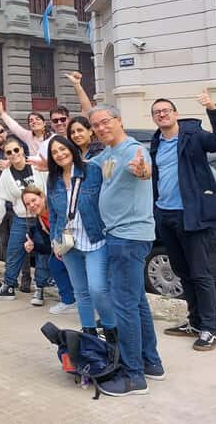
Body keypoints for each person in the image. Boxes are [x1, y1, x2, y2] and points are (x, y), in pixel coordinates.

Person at [88, 104, 164, 397]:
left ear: (119, 120)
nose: (101, 128)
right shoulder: (108, 153)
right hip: (121, 236)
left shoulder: (135, 150)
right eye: (96, 125)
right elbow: (87, 164)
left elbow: (144, 171)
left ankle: (134, 377)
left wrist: (143, 172)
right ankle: (151, 362)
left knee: (124, 305)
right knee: (137, 302)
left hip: (128, 237)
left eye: (105, 122)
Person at [150, 89, 216, 351]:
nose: (162, 115)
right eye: (157, 112)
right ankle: (195, 322)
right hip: (165, 215)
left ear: (175, 114)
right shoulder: (156, 142)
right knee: (182, 271)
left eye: (166, 110)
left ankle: (210, 328)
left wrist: (212, 109)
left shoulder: (193, 135)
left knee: (200, 273)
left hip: (190, 215)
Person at [46, 135, 111, 325]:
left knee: (98, 289)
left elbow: (108, 196)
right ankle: (88, 332)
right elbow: (53, 214)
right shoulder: (53, 179)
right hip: (68, 243)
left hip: (95, 239)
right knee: (81, 292)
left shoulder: (91, 170)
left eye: (63, 149)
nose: (60, 154)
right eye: (54, 152)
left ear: (71, 149)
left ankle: (111, 329)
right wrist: (54, 240)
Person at [0, 138, 48, 302]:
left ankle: (40, 288)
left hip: (42, 217)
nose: (13, 154)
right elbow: (0, 201)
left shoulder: (36, 165)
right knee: (14, 252)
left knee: (42, 254)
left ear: (22, 149)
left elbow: (50, 186)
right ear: (5, 155)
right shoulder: (6, 175)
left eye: (16, 150)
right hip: (21, 218)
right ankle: (9, 286)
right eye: (9, 152)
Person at [19, 186, 77, 315]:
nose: (32, 205)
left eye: (34, 200)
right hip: (65, 246)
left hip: (79, 242)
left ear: (42, 197)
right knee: (54, 263)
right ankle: (69, 301)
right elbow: (48, 247)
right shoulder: (40, 221)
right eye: (27, 204)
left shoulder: (56, 208)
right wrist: (34, 246)